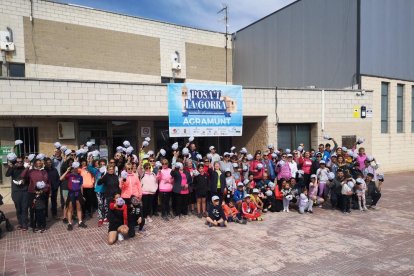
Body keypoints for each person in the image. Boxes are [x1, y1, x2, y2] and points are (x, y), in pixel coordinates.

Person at [21, 158, 49, 230]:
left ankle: (41, 225)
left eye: (40, 163)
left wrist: (44, 190)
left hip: (42, 193)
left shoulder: (44, 172)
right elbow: (22, 175)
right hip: (32, 192)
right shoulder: (31, 171)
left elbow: (47, 182)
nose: (39, 164)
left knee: (41, 210)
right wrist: (27, 167)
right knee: (32, 209)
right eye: (37, 163)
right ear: (35, 164)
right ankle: (33, 225)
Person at [60, 161, 87, 230]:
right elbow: (61, 178)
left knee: (79, 208)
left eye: (77, 168)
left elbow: (81, 186)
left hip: (78, 193)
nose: (76, 169)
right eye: (74, 168)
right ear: (72, 168)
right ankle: (70, 223)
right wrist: (67, 171)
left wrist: (82, 195)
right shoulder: (70, 175)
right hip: (71, 193)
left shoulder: (80, 176)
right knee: (70, 208)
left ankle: (80, 222)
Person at [5, 156, 28, 230]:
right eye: (18, 162)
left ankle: (24, 224)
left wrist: (25, 180)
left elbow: (29, 177)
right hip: (16, 192)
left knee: (24, 208)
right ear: (15, 162)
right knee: (18, 208)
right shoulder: (13, 168)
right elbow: (7, 175)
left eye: (21, 161)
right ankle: (20, 223)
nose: (20, 163)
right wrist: (11, 167)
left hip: (24, 191)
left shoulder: (25, 168)